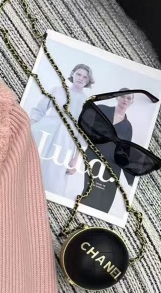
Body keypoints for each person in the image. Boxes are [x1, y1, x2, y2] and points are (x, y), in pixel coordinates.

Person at [30, 63, 94, 196]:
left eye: (85, 77)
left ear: (88, 81)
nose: (81, 78)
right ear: (72, 74)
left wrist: (76, 159)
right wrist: (31, 128)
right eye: (78, 74)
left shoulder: (87, 105)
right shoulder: (57, 90)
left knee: (53, 182)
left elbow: (83, 135)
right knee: (31, 169)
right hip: (42, 135)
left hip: (64, 144)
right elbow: (38, 110)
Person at [80, 89, 136, 213]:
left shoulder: (128, 126)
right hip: (94, 156)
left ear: (131, 102)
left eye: (128, 98)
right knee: (90, 189)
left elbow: (125, 151)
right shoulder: (103, 110)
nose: (125, 100)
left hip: (113, 164)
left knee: (105, 196)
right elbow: (87, 127)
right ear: (117, 97)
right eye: (123, 96)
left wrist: (131, 179)